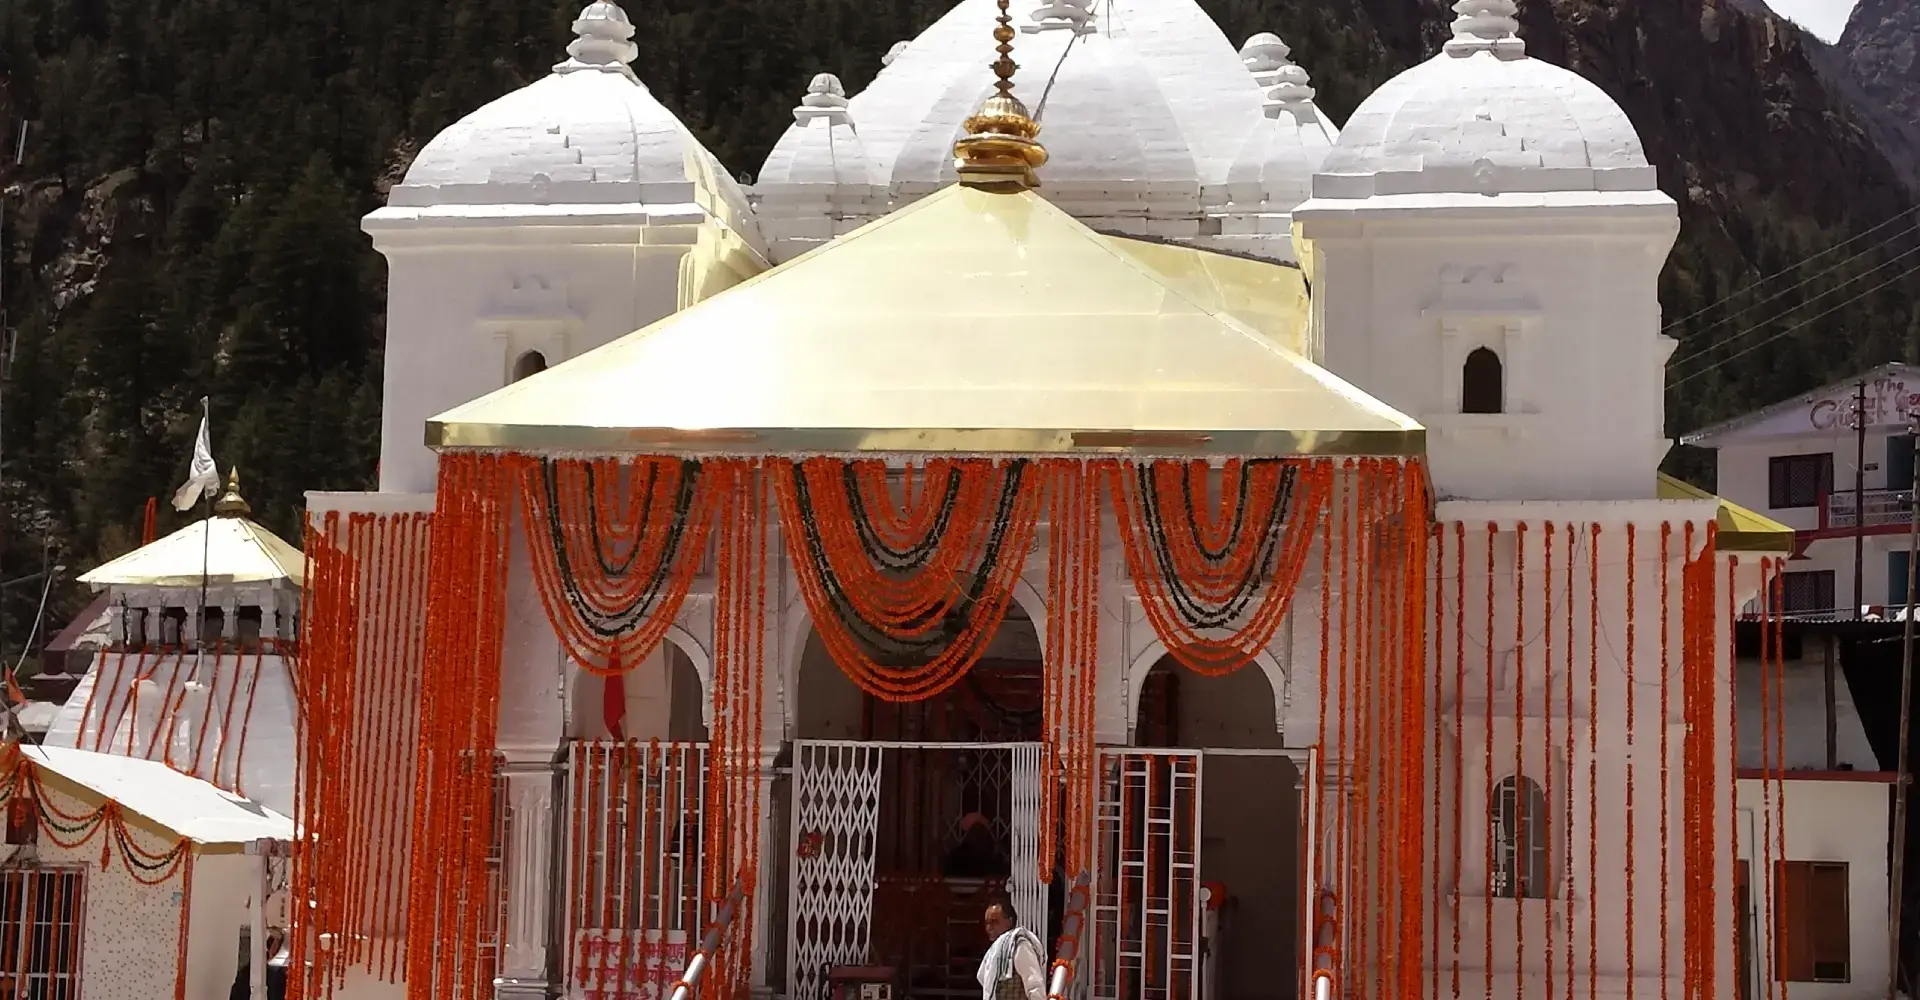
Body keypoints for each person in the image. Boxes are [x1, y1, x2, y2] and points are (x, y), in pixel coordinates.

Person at [977, 898, 1046, 1000]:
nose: (989, 927)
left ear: (1009, 921)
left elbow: (1034, 984)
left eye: (994, 922)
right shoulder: (993, 953)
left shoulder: (1020, 946)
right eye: (987, 923)